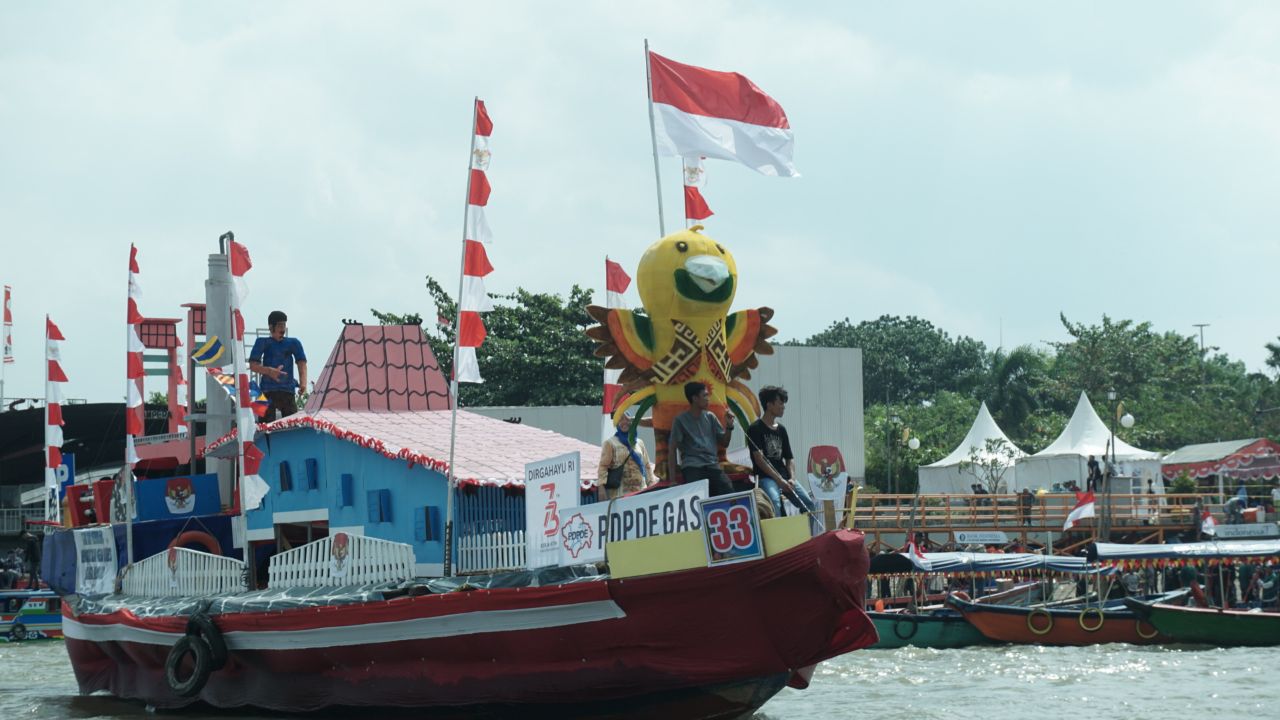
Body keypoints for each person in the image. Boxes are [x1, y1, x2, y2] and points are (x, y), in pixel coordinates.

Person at [746, 386, 817, 517]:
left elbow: (789, 458)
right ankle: (778, 537)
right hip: (766, 477)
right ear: (769, 405)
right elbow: (759, 460)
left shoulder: (782, 430)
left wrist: (792, 479)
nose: (783, 406)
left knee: (809, 504)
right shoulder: (754, 429)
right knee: (775, 503)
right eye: (780, 403)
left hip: (785, 477)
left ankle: (809, 536)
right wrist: (779, 480)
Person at [668, 381, 735, 496]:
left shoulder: (710, 417)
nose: (708, 398)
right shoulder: (680, 420)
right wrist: (673, 480)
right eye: (705, 395)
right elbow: (672, 449)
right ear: (694, 398)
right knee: (697, 497)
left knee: (729, 493)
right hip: (692, 467)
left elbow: (725, 443)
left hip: (713, 465)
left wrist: (729, 426)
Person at [249, 310, 307, 419]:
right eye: (280, 325)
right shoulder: (262, 342)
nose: (283, 329)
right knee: (263, 427)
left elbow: (301, 362)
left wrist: (303, 382)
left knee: (291, 425)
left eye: (284, 325)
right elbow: (253, 365)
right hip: (266, 390)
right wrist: (269, 371)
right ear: (271, 327)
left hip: (287, 389)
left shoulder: (294, 343)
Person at [597, 409, 652, 500]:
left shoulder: (639, 443)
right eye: (620, 420)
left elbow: (647, 466)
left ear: (631, 422)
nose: (624, 422)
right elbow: (603, 466)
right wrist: (601, 487)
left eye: (627, 419)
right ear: (617, 423)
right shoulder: (610, 443)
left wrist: (651, 485)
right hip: (620, 494)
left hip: (641, 492)